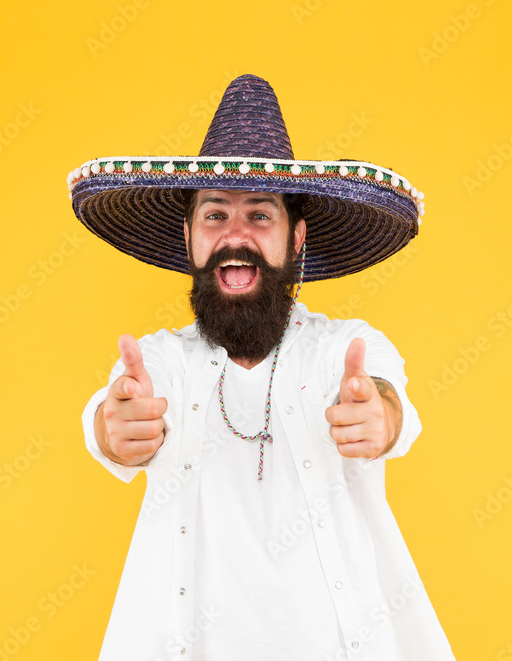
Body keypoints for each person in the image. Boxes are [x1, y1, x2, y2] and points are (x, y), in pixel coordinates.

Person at [69, 75, 455, 660]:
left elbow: (386, 398)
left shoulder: (343, 347)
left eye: (260, 215)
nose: (236, 236)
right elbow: (117, 413)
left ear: (296, 238)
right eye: (216, 215)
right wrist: (113, 426)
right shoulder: (161, 361)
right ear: (189, 237)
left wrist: (379, 416)